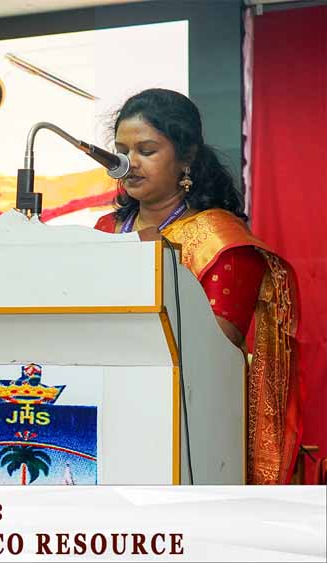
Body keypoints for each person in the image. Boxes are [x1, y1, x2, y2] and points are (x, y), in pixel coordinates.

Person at [93, 88, 299, 485]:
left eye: (146, 151)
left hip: (190, 425)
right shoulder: (105, 229)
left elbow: (214, 352)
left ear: (186, 156)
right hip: (104, 408)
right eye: (122, 151)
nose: (128, 163)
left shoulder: (222, 240)